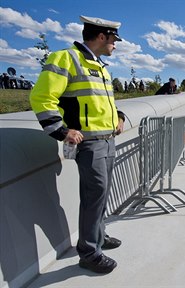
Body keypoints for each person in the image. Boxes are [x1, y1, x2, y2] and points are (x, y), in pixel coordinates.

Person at [29, 15, 125, 274]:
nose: (115, 44)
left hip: (108, 140)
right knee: (94, 196)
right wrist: (61, 131)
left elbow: (99, 101)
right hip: (90, 143)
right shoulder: (66, 58)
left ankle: (100, 236)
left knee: (102, 195)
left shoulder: (100, 66)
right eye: (114, 39)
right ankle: (89, 253)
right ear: (102, 37)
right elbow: (41, 97)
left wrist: (119, 116)